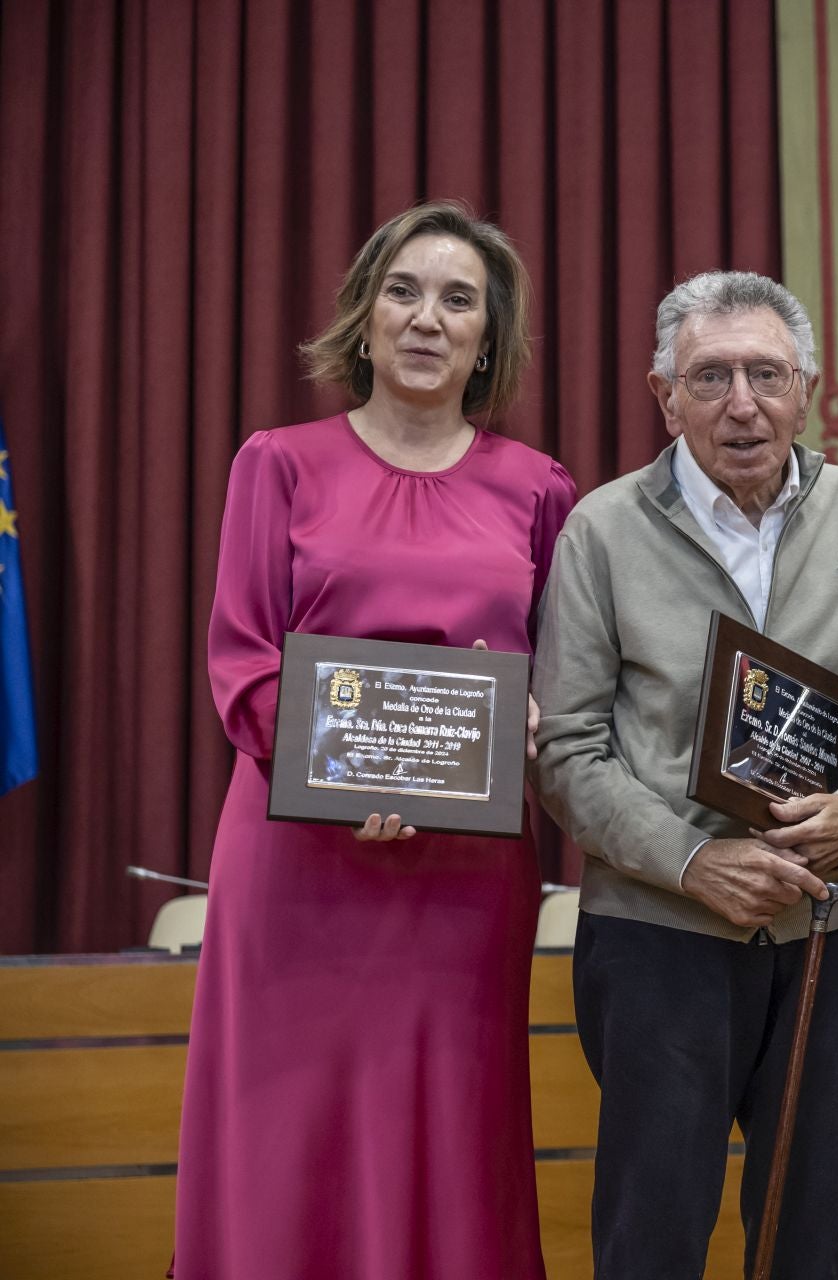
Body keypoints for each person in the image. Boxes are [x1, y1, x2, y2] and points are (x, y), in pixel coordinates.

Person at [174, 200, 575, 1278]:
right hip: (300, 859)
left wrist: (536, 712)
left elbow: (558, 669)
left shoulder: (540, 488)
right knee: (283, 1123)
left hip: (462, 870)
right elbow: (243, 660)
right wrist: (340, 776)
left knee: (453, 1113)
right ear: (363, 314)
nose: (426, 318)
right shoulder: (279, 462)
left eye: (459, 300)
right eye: (403, 290)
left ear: (490, 338)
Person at [532, 270, 838, 1277]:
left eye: (766, 372)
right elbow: (568, 748)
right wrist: (694, 856)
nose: (742, 402)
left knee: (809, 1235)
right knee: (652, 1229)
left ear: (806, 388)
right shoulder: (602, 528)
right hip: (661, 930)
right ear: (664, 394)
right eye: (710, 376)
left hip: (833, 925)